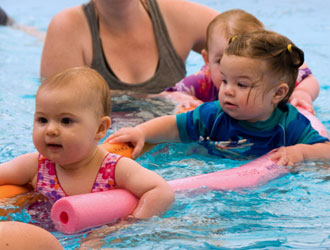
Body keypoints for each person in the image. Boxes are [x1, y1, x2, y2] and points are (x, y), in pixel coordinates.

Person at [106, 30, 330, 166]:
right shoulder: (213, 115)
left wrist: (300, 152)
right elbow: (174, 126)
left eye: (241, 84)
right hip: (209, 165)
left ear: (278, 93)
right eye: (224, 80)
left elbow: (326, 151)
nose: (228, 91)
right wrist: (141, 132)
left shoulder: (288, 124)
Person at [0, 67, 174, 220]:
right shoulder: (34, 166)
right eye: (42, 120)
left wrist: (131, 223)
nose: (50, 130)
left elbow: (160, 191)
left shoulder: (114, 169)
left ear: (99, 128)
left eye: (66, 121)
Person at [40, 0, 218, 94]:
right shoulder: (68, 28)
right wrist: (165, 101)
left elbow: (243, 43)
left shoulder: (176, 16)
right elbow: (61, 115)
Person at [165, 9, 319, 114]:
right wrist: (183, 99)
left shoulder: (272, 75)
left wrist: (302, 93)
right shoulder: (203, 81)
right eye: (221, 60)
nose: (233, 69)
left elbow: (308, 78)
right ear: (207, 60)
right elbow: (165, 93)